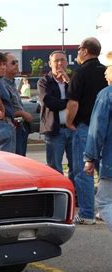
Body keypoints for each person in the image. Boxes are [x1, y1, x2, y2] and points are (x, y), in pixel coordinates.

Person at [65, 37, 107, 225]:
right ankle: (105, 210)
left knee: (84, 171)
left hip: (85, 128)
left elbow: (73, 103)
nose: (78, 52)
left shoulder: (80, 73)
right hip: (107, 129)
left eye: (79, 49)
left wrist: (69, 122)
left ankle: (88, 213)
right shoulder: (106, 71)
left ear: (85, 51)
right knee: (105, 170)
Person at [84, 52, 112, 232]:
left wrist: (90, 157)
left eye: (108, 68)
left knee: (104, 201)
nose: (105, 73)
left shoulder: (106, 95)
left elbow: (97, 130)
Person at [37, 50, 74, 182]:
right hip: (54, 130)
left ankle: (74, 194)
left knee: (75, 166)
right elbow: (50, 103)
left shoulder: (72, 80)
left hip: (73, 129)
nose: (59, 63)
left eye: (62, 60)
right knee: (55, 167)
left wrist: (68, 81)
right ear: (50, 63)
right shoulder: (44, 81)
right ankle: (60, 195)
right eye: (56, 60)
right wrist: (69, 103)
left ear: (67, 63)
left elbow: (79, 99)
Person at [2, 53, 33, 156]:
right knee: (15, 162)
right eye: (13, 63)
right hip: (11, 129)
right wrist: (22, 113)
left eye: (17, 62)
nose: (16, 65)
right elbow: (3, 109)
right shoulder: (2, 85)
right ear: (4, 65)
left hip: (20, 128)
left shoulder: (12, 83)